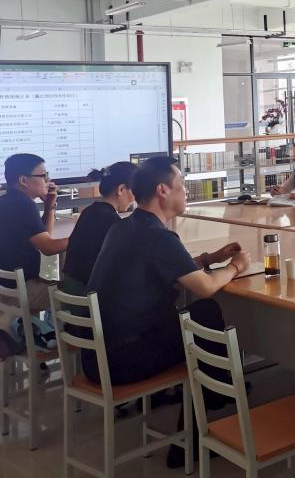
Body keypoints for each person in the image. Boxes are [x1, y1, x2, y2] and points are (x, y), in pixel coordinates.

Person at [85, 156, 250, 468]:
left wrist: (209, 258)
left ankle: (215, 397)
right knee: (205, 314)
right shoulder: (157, 236)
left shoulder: (125, 227)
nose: (186, 191)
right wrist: (236, 267)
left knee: (199, 320)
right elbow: (205, 286)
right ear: (162, 190)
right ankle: (204, 418)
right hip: (124, 361)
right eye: (181, 185)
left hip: (97, 357)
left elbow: (166, 265)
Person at [0, 153, 68, 310]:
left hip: (6, 287)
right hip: (22, 290)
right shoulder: (23, 205)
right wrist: (83, 236)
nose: (48, 180)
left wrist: (50, 206)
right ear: (23, 180)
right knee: (78, 292)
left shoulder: (7, 201)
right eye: (43, 175)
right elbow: (48, 248)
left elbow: (44, 237)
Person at [62, 162, 137, 295]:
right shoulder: (112, 221)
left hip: (70, 294)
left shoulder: (89, 211)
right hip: (89, 299)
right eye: (135, 191)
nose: (135, 199)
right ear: (121, 189)